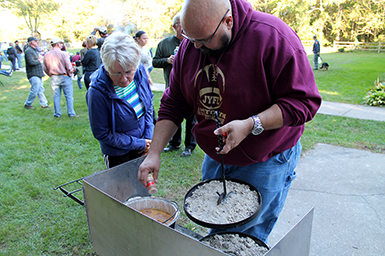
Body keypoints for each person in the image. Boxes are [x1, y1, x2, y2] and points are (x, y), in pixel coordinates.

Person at [139, 0, 321, 245]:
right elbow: (174, 103)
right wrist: (155, 153)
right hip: (217, 155)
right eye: (189, 38)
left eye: (203, 40)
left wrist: (251, 123)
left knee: (245, 237)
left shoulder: (274, 37)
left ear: (228, 21)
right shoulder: (190, 47)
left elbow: (304, 102)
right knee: (217, 227)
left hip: (266, 157)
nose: (195, 47)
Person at [86, 32, 154, 168]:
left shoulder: (139, 71)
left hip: (143, 143)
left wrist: (148, 140)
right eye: (117, 73)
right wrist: (139, 143)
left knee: (142, 185)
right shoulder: (97, 93)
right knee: (121, 188)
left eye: (129, 72)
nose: (124, 79)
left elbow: (149, 106)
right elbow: (102, 133)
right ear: (106, 67)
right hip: (118, 153)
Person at [153, 12, 197, 157]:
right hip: (172, 87)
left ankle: (189, 146)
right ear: (174, 26)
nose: (184, 26)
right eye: (181, 24)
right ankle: (174, 143)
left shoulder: (195, 40)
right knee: (173, 115)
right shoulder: (165, 43)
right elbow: (155, 61)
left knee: (191, 119)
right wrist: (167, 60)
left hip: (191, 88)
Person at [43, 37, 77, 118]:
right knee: (68, 96)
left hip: (54, 77)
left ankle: (57, 113)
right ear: (58, 44)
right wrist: (70, 73)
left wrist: (50, 74)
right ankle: (71, 113)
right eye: (61, 43)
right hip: (64, 76)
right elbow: (69, 66)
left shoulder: (47, 55)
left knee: (56, 96)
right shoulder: (63, 54)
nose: (62, 45)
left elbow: (45, 68)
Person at [23, 37, 50, 110]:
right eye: (35, 41)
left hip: (38, 73)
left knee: (41, 89)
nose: (37, 42)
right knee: (35, 89)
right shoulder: (29, 51)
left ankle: (44, 104)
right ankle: (28, 104)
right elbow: (31, 62)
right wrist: (39, 60)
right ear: (31, 42)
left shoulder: (33, 50)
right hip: (33, 73)